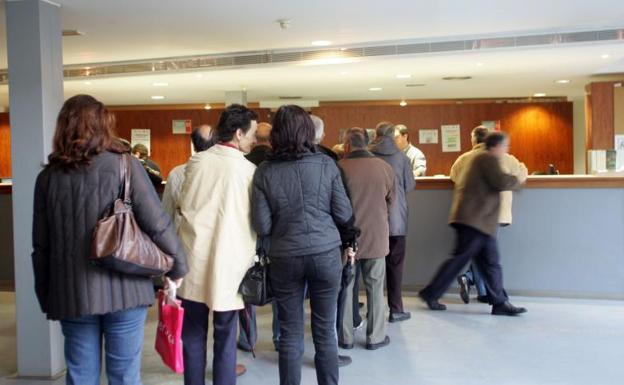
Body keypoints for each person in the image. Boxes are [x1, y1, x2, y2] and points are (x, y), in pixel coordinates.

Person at [32, 94, 188, 385]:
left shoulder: (49, 178)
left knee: (80, 375)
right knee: (125, 375)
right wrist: (177, 267)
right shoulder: (126, 165)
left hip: (72, 292)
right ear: (105, 126)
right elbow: (157, 224)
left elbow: (41, 245)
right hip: (126, 290)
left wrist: (46, 293)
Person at [252, 105, 354, 385]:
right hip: (325, 253)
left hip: (285, 256)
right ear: (308, 132)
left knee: (290, 332)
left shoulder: (264, 172)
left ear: (276, 135)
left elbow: (262, 225)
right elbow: (344, 214)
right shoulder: (326, 164)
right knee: (324, 331)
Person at [177, 104, 258, 385]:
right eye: (252, 134)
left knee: (192, 335)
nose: (254, 140)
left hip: (193, 258)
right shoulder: (249, 171)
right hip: (231, 264)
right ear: (238, 134)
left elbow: (184, 206)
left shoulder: (197, 162)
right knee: (226, 336)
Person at [419, 132, 528, 316]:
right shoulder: (486, 158)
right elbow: (501, 181)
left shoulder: (477, 158)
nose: (506, 150)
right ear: (496, 146)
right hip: (474, 222)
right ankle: (431, 293)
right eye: (505, 146)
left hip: (477, 221)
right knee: (466, 261)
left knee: (489, 263)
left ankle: (500, 302)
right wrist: (520, 177)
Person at [452, 126, 528, 304]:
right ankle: (483, 290)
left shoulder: (464, 158)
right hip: (497, 213)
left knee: (480, 252)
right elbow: (520, 174)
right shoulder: (507, 158)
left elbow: (454, 176)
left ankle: (471, 279)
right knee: (486, 255)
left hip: (472, 213)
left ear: (473, 140)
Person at [338, 127, 395, 350]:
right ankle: (376, 337)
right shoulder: (384, 168)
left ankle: (345, 337)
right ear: (368, 143)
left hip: (345, 239)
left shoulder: (338, 168)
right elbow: (391, 201)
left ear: (346, 145)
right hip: (376, 235)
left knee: (345, 287)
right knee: (375, 287)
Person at [370, 122, 416, 323]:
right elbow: (409, 185)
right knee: (395, 265)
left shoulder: (367, 155)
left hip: (371, 220)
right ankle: (396, 309)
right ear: (393, 136)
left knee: (371, 267)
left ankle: (374, 312)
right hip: (396, 219)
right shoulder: (402, 158)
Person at [236, 121, 272, 355]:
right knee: (278, 283)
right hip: (273, 233)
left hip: (244, 232)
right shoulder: (275, 164)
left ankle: (248, 338)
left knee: (245, 284)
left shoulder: (243, 163)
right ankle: (279, 336)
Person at [161, 124, 213, 231]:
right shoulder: (224, 172)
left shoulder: (176, 173)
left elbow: (167, 212)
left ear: (194, 146)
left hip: (182, 239)